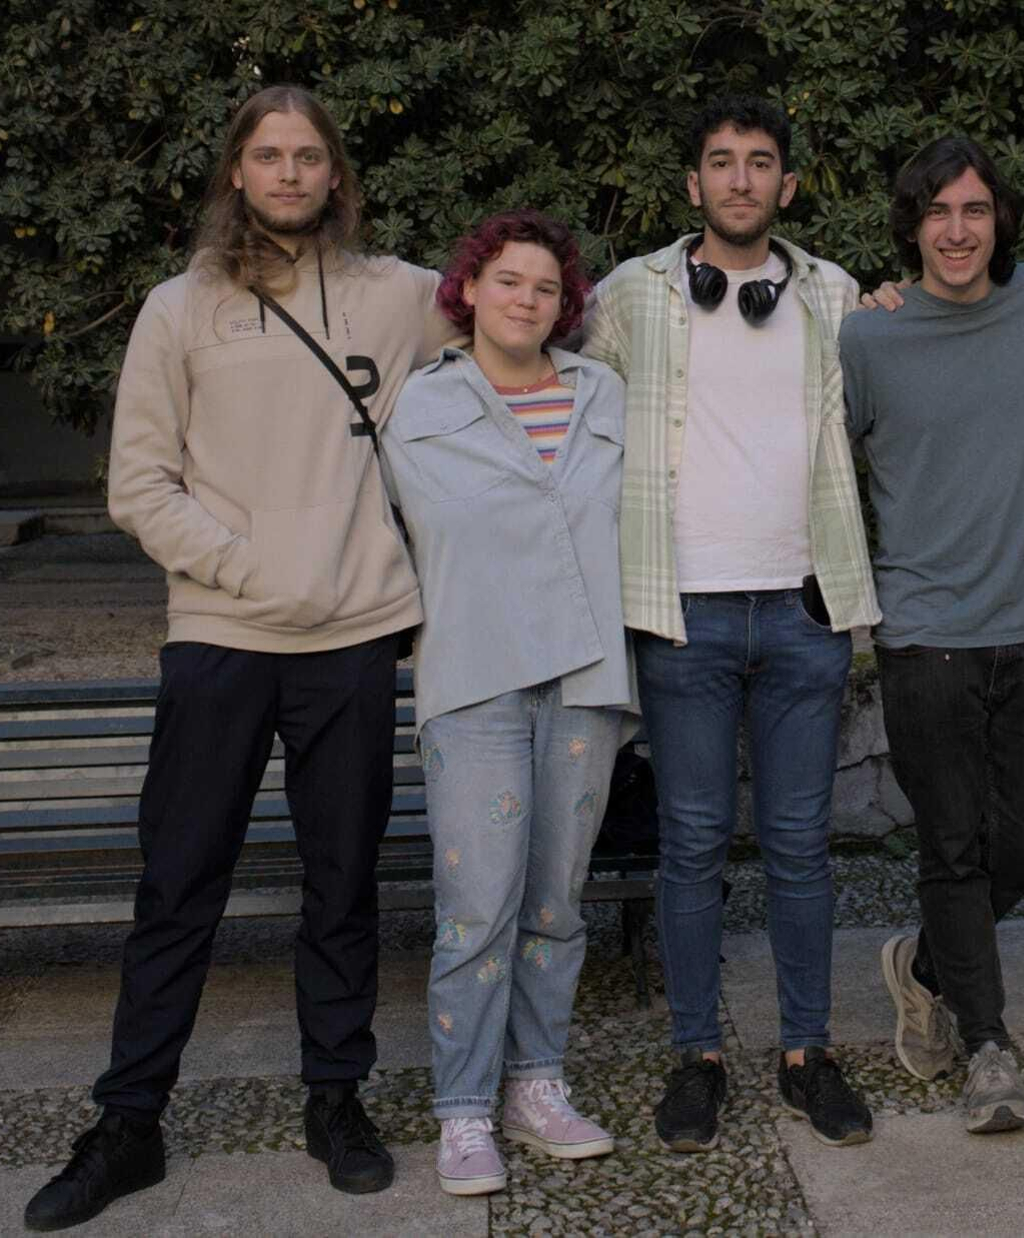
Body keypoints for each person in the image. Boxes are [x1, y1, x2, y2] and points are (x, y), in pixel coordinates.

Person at [24, 84, 456, 1232]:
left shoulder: (397, 295)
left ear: (335, 174)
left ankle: (336, 1098)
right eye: (268, 155)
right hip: (221, 638)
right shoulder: (179, 309)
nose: (288, 173)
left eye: (309, 154)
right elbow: (138, 484)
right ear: (235, 172)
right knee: (178, 885)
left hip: (358, 640)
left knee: (343, 883)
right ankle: (129, 1122)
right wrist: (250, 569)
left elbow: (537, 302)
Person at [581, 95, 880, 1152]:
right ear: (693, 185)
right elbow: (576, 425)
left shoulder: (839, 296)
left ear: (787, 186)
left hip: (805, 606)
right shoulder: (630, 296)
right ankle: (696, 1054)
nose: (741, 180)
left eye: (760, 163)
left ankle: (808, 1051)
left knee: (801, 843)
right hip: (681, 611)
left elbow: (896, 413)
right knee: (694, 841)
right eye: (721, 162)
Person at [380, 209, 633, 1195]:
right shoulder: (422, 404)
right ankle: (462, 1108)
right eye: (508, 280)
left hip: (585, 678)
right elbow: (381, 526)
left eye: (545, 287)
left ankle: (536, 1080)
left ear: (565, 306)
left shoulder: (601, 393)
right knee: (477, 903)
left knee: (554, 900)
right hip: (475, 672)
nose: (526, 299)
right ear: (469, 291)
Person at [840, 136, 1024, 1134]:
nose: (955, 229)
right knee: (950, 844)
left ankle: (927, 962)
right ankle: (986, 1044)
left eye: (973, 210)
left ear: (999, 222)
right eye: (936, 212)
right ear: (911, 226)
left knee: (1022, 841)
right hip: (926, 629)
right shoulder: (867, 337)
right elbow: (825, 464)